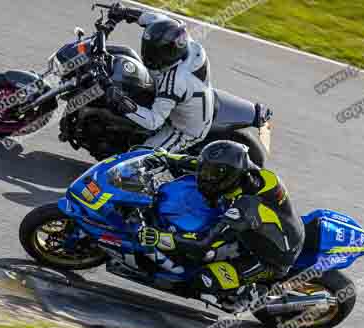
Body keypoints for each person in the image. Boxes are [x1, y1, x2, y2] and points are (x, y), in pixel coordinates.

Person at [138, 140, 305, 311]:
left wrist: (159, 237)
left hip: (268, 259)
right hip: (266, 230)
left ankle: (249, 295)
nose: (205, 176)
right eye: (206, 171)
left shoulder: (245, 208)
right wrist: (166, 157)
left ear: (229, 176)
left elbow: (202, 244)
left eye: (211, 174)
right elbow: (201, 164)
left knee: (204, 278)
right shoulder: (248, 172)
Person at [105, 5, 215, 153]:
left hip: (185, 129)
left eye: (154, 52)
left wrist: (120, 101)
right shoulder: (178, 35)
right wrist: (125, 12)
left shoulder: (175, 81)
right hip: (186, 98)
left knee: (138, 158)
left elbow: (153, 121)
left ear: (167, 53)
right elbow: (154, 19)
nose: (148, 54)